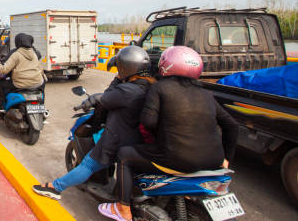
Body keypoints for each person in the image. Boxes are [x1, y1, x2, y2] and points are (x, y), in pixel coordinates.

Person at [98, 46, 239, 221]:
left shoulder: (160, 88)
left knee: (125, 155)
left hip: (177, 158)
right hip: (214, 162)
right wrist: (226, 158)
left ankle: (123, 208)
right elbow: (232, 126)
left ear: (167, 65)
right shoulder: (205, 93)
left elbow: (148, 121)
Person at [32, 45, 154, 200]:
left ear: (126, 68)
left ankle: (55, 188)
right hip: (137, 140)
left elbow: (107, 98)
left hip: (117, 139)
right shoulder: (149, 85)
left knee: (88, 165)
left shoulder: (126, 90)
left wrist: (117, 79)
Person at [0, 33, 45, 132]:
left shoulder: (16, 53)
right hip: (37, 83)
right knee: (43, 85)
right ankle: (42, 105)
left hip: (20, 84)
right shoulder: (34, 53)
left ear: (18, 42)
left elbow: (4, 70)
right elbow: (39, 67)